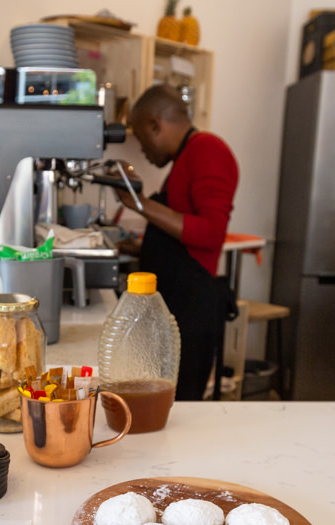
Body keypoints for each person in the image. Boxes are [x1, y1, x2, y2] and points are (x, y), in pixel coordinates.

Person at [113, 85, 240, 400]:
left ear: (156, 125)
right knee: (162, 400)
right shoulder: (185, 157)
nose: (142, 150)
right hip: (175, 300)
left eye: (142, 139)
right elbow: (179, 237)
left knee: (182, 404)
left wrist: (139, 203)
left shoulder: (208, 150)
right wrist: (139, 247)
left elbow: (211, 234)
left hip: (193, 306)